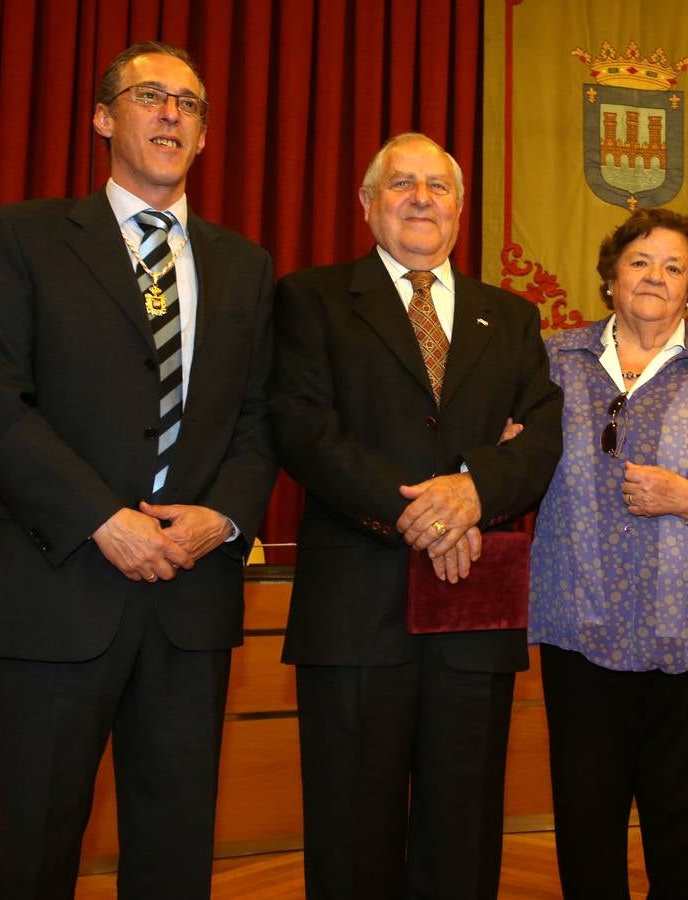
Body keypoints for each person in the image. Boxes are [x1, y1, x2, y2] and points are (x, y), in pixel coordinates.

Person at [0, 41, 278, 897]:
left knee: (175, 855)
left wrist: (227, 519)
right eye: (149, 96)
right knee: (34, 850)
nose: (172, 113)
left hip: (190, 602)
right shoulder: (23, 236)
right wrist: (106, 519)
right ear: (104, 118)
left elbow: (259, 420)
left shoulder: (245, 266)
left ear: (205, 137)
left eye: (190, 104)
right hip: (56, 593)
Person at [270, 132, 563, 899]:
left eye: (438, 186)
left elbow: (540, 439)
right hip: (356, 612)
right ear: (366, 206)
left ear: (462, 210)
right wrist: (430, 512)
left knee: (463, 837)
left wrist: (473, 490)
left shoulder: (513, 317)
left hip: (472, 613)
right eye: (401, 183)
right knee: (351, 832)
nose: (422, 198)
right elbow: (306, 430)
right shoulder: (312, 299)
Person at [528, 208, 688, 898]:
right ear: (611, 276)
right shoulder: (552, 359)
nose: (655, 277)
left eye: (674, 267)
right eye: (640, 261)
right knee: (586, 822)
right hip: (578, 629)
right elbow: (506, 462)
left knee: (683, 827)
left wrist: (686, 497)